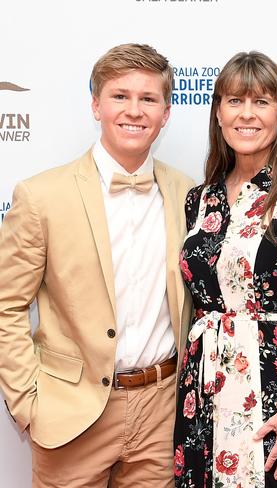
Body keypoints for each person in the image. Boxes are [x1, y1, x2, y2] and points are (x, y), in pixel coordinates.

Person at [0, 43, 194, 487]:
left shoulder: (189, 194)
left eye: (149, 99)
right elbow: (6, 305)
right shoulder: (41, 195)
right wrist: (28, 403)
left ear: (166, 113)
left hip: (161, 413)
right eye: (120, 96)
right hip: (70, 414)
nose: (134, 110)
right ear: (95, 105)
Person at [173, 51, 277, 488]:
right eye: (234, 101)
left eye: (262, 102)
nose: (247, 114)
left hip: (274, 393)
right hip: (203, 386)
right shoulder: (201, 197)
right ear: (218, 113)